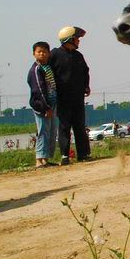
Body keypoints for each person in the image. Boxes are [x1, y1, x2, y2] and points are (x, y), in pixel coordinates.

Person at [50, 26, 91, 165]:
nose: (79, 41)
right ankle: (64, 156)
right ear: (69, 39)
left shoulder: (78, 56)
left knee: (79, 126)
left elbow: (86, 72)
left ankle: (83, 154)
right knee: (64, 127)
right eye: (77, 38)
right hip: (62, 99)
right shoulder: (54, 55)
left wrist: (86, 85)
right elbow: (47, 74)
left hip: (78, 98)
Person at [27, 41, 58, 167]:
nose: (42, 54)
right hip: (42, 107)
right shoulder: (36, 69)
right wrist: (46, 108)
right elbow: (39, 90)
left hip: (53, 104)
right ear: (34, 53)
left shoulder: (48, 67)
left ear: (48, 53)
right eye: (39, 51)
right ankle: (39, 160)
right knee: (43, 132)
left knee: (51, 132)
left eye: (44, 51)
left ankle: (46, 159)